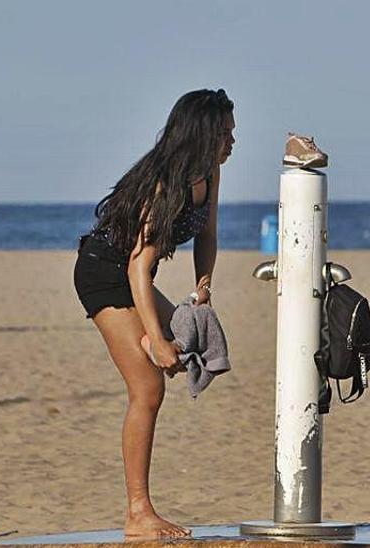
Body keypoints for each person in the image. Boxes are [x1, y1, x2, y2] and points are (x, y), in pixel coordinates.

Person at [72, 89, 234, 538]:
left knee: (189, 333)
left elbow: (208, 236)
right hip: (105, 272)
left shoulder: (210, 173)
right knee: (147, 388)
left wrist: (203, 289)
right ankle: (138, 514)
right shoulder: (167, 182)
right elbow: (138, 266)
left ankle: (151, 341)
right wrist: (156, 340)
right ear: (203, 134)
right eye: (225, 132)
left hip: (131, 274)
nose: (233, 141)